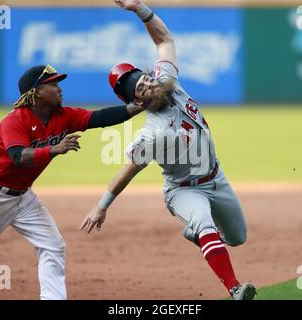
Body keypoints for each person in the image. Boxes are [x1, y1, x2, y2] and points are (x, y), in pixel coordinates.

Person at [81, 0, 256, 300]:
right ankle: (235, 288)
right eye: (141, 89)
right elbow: (129, 169)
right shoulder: (152, 132)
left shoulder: (169, 82)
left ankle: (196, 233)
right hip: (183, 189)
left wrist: (139, 8)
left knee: (237, 238)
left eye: (146, 79)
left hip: (217, 177)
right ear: (137, 102)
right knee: (202, 220)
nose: (149, 85)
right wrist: (102, 205)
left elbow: (164, 40)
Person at [0, 64, 143, 300]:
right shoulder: (14, 121)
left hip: (23, 198)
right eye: (53, 84)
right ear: (36, 92)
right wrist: (55, 149)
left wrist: (138, 107)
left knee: (53, 246)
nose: (59, 88)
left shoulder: (64, 116)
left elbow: (100, 118)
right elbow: (19, 156)